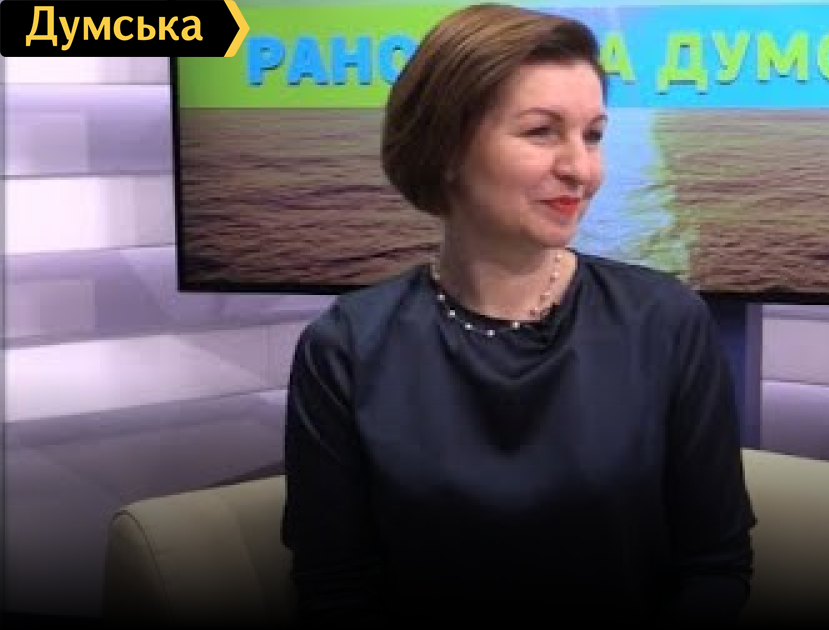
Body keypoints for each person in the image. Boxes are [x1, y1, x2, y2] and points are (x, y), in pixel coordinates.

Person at [280, 3, 756, 625]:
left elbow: (716, 566)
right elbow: (334, 588)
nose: (581, 169)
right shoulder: (346, 348)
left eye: (592, 135)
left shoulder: (666, 321)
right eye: (541, 132)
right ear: (446, 147)